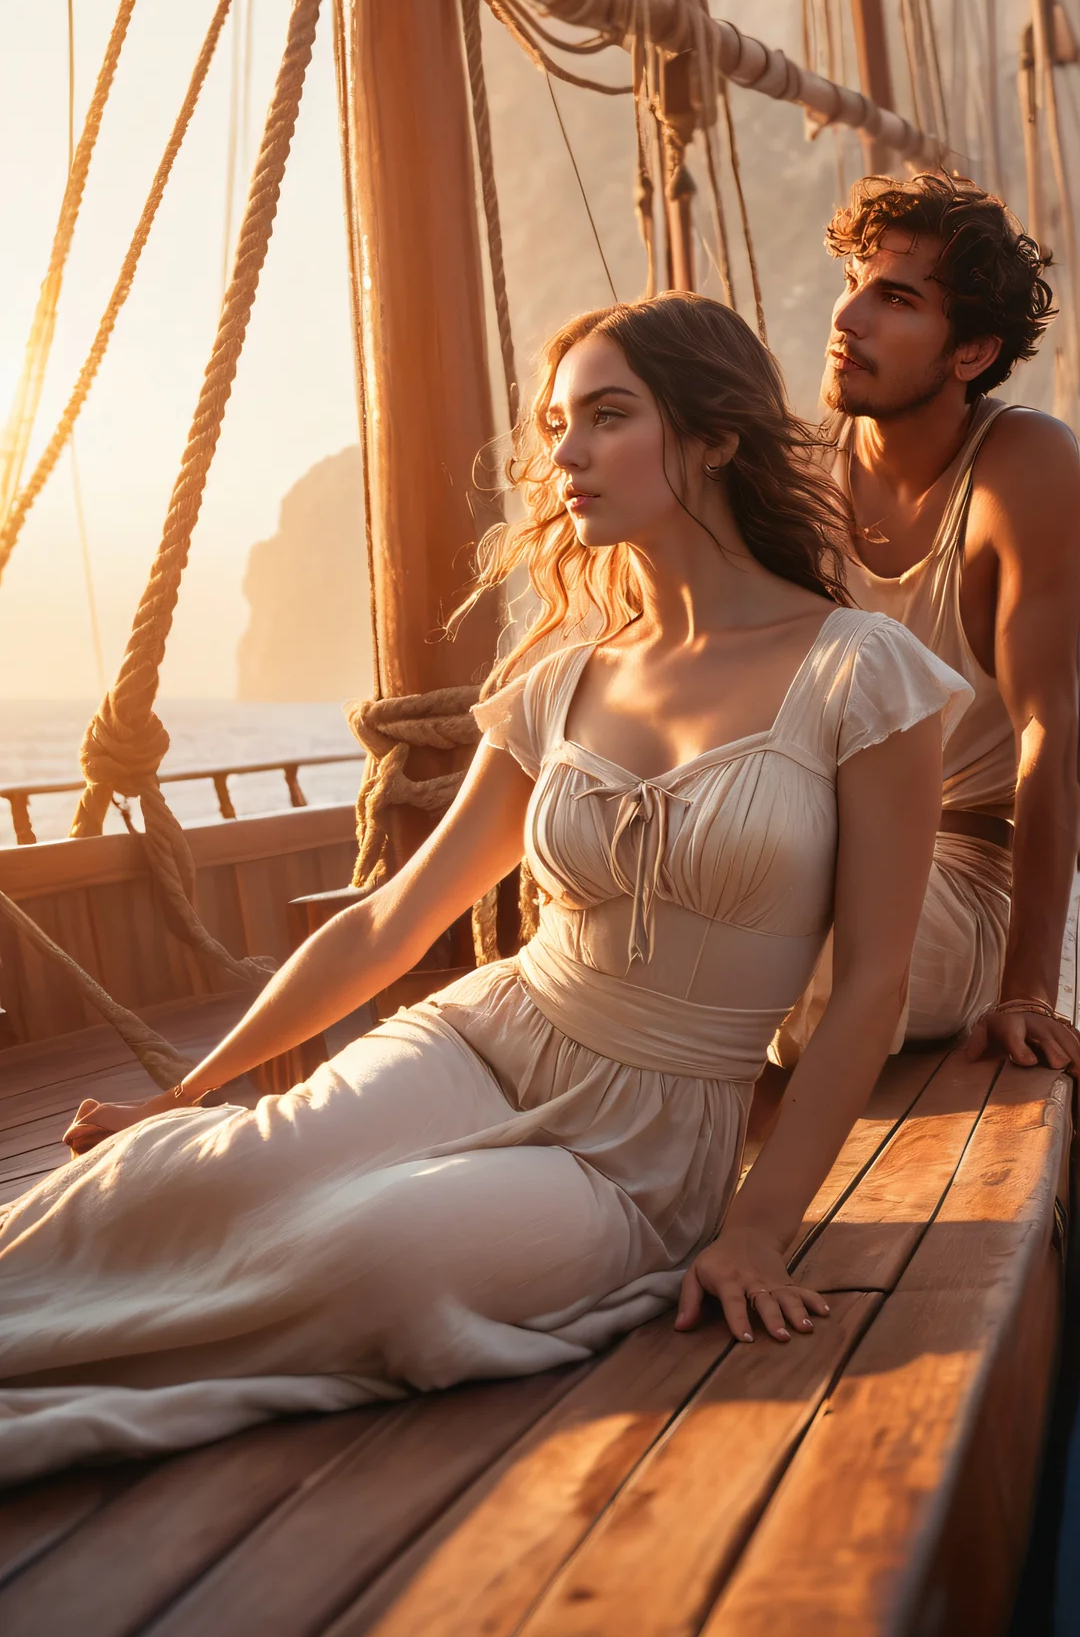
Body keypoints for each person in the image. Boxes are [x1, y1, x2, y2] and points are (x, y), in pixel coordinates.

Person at [0, 296, 967, 1487]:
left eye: (607, 417)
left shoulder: (861, 674)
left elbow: (872, 983)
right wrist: (184, 1095)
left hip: (646, 1143)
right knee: (177, 1179)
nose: (566, 455)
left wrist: (760, 1229)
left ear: (716, 437)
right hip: (485, 1036)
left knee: (377, 1254)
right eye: (557, 425)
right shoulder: (559, 682)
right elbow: (392, 918)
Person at [778, 172, 1080, 1075]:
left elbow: (1050, 730)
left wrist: (1028, 990)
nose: (848, 317)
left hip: (964, 880)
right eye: (853, 283)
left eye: (897, 299)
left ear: (972, 352)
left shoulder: (1024, 464)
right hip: (813, 850)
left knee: (775, 941)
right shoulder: (798, 475)